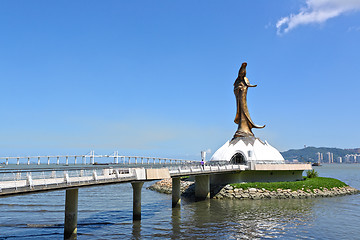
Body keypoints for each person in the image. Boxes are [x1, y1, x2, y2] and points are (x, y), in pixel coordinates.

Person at [233, 62, 265, 138]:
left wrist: (243, 88)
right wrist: (238, 89)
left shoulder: (245, 79)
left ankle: (246, 129)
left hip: (243, 98)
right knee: (240, 111)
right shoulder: (237, 81)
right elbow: (235, 89)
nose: (242, 74)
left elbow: (247, 85)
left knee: (244, 111)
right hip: (239, 99)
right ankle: (241, 128)